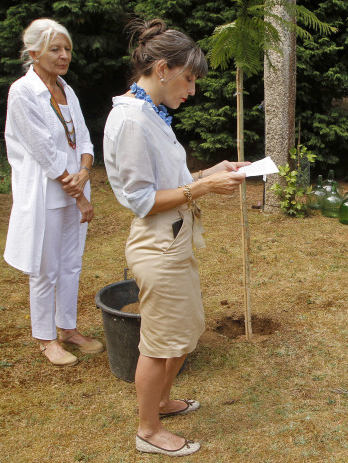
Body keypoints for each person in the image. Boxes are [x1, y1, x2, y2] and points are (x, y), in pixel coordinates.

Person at [103, 19, 249, 457]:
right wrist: (202, 188)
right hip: (157, 243)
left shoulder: (150, 114)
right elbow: (143, 201)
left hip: (175, 237)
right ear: (163, 68)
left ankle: (163, 402)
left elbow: (171, 180)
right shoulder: (130, 120)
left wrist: (209, 173)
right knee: (160, 339)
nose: (192, 89)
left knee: (185, 330)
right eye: (189, 78)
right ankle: (148, 430)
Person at [4, 18, 101, 367]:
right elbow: (43, 150)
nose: (64, 56)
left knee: (71, 264)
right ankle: (45, 337)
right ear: (33, 53)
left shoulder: (66, 89)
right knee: (45, 269)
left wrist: (85, 171)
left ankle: (68, 327)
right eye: (55, 49)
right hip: (46, 193)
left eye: (68, 49)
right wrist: (79, 194)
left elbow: (85, 138)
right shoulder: (23, 92)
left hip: (76, 184)